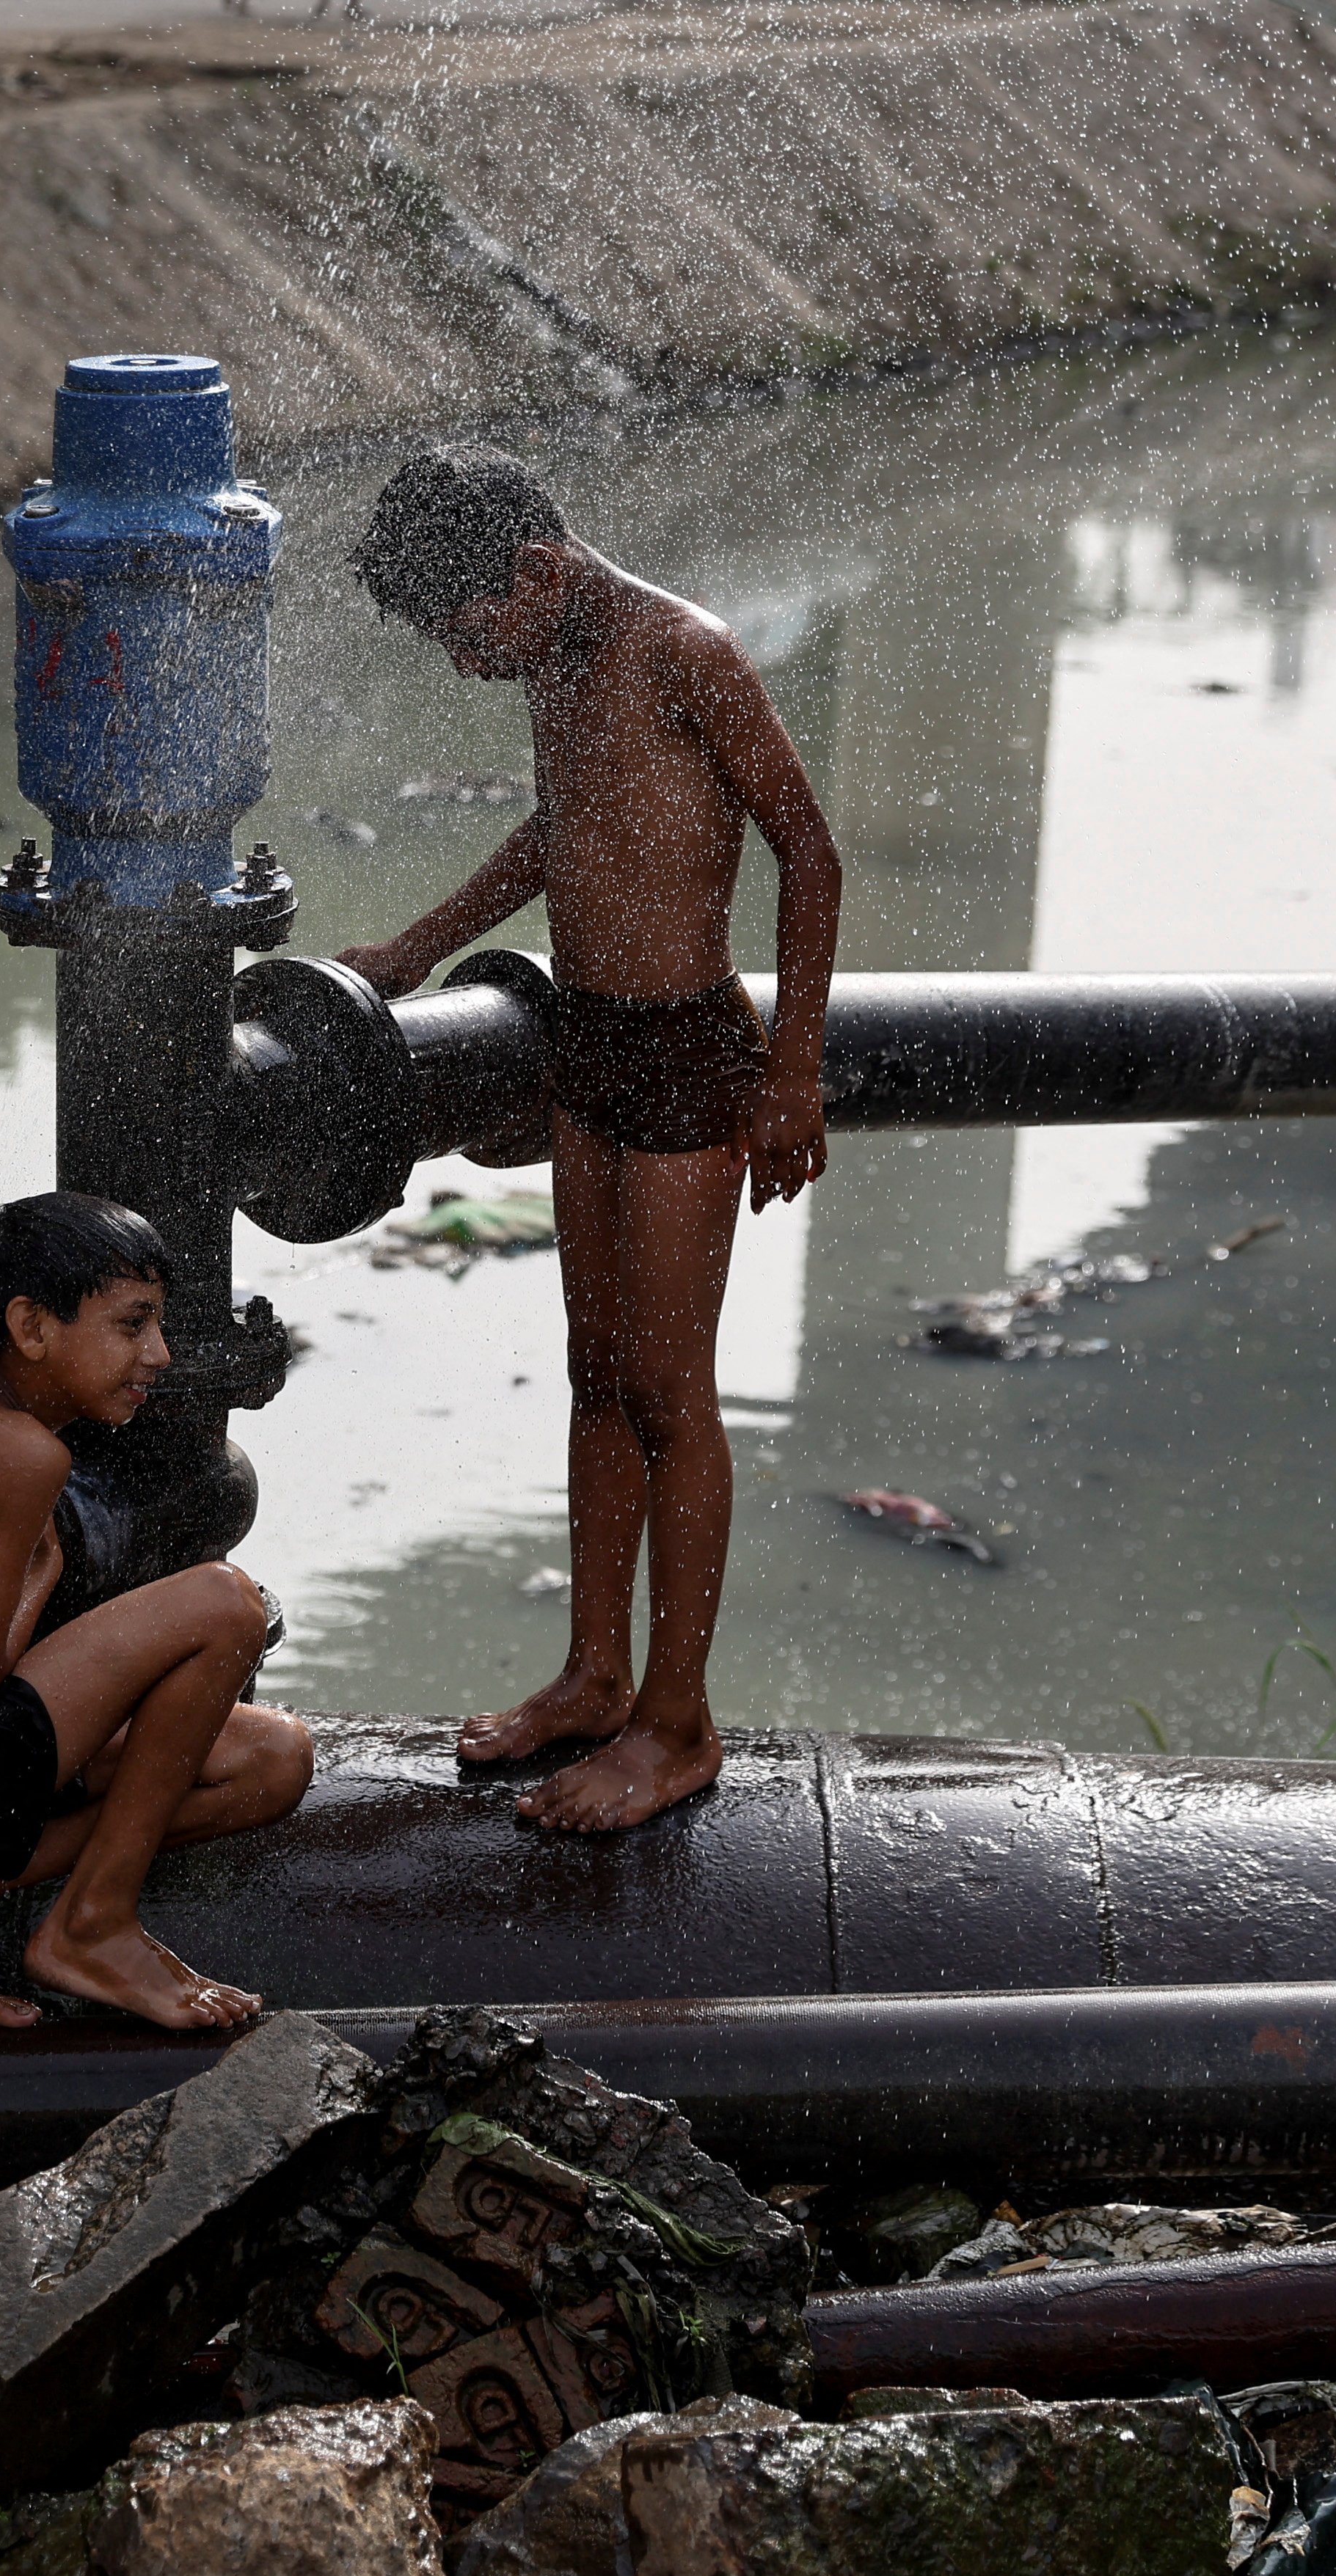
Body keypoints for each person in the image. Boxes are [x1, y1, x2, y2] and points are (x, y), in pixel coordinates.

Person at [334, 444, 844, 1837]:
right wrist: (413, 951)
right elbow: (558, 835)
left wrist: (791, 1073)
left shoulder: (686, 650)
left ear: (537, 573)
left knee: (674, 1398)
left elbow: (809, 849)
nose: (462, 664)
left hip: (688, 1054)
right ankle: (595, 1672)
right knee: (595, 1374)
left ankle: (679, 1724)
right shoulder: (556, 652)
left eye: (465, 632)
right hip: (589, 1048)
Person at [0, 1180, 310, 2030]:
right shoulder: (20, 1454)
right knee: (229, 1605)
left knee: (275, 1761)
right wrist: (41, 1563)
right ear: (33, 1328)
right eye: (130, 1325)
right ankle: (91, 1924)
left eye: (156, 1322)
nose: (160, 1354)